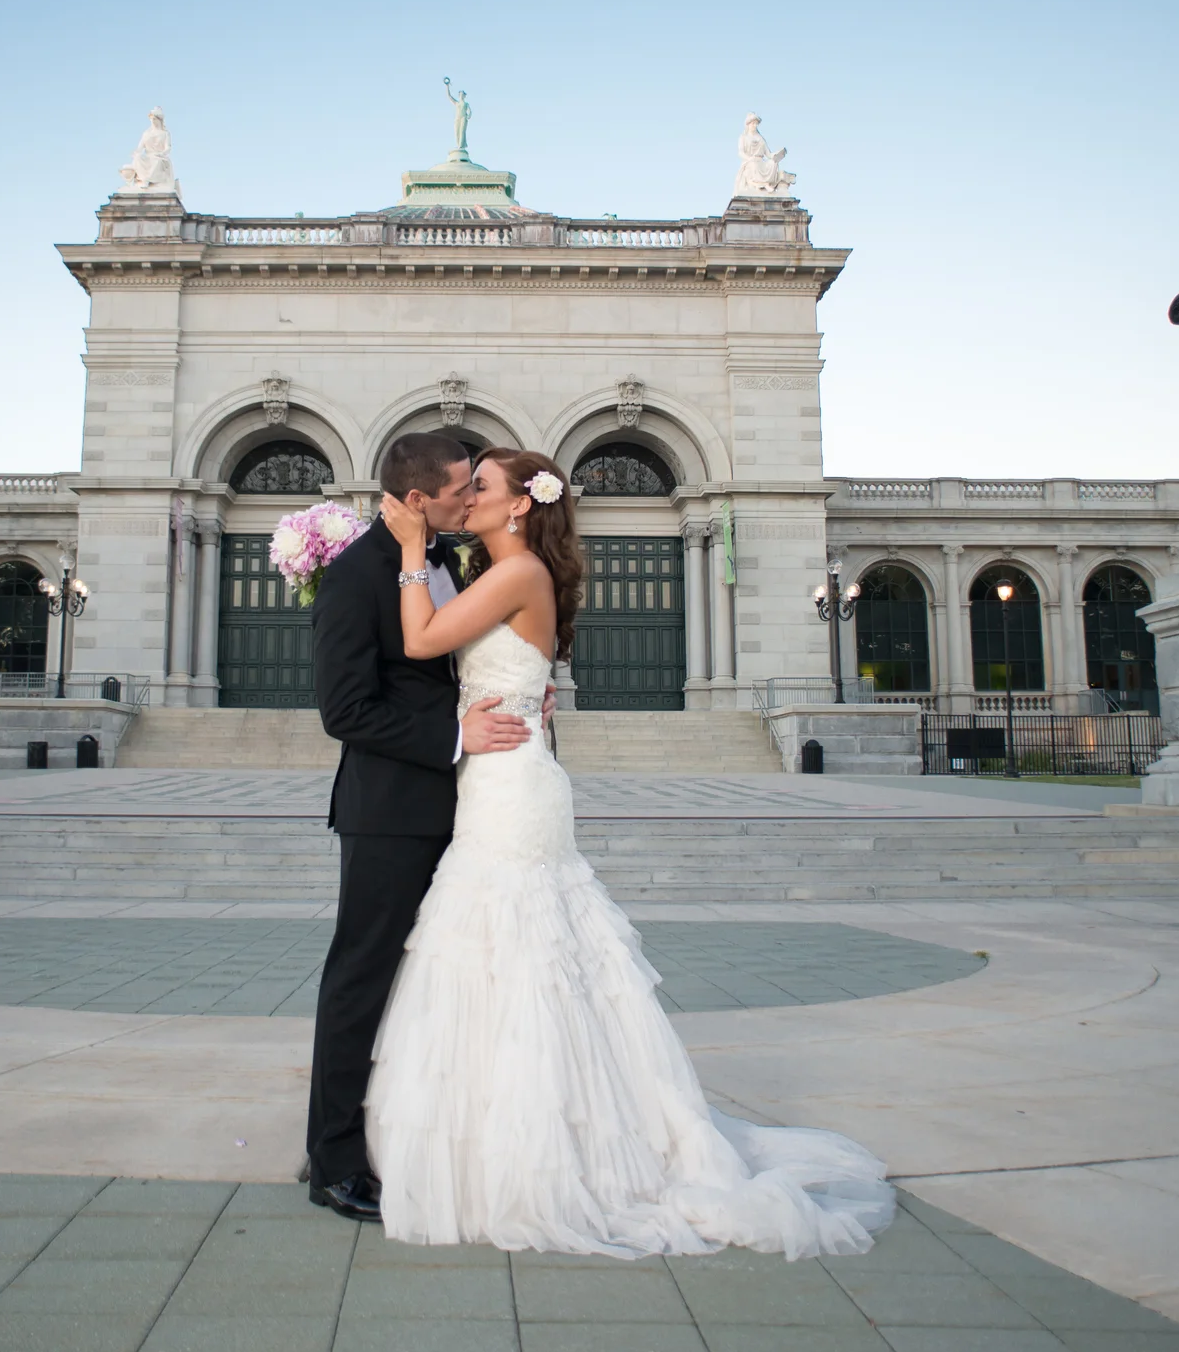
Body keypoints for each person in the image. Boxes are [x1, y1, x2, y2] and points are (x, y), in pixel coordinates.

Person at [367, 447, 894, 1258]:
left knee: (522, 948)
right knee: (509, 952)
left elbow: (421, 640)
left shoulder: (518, 574)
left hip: (512, 792)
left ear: (520, 506)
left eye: (483, 486)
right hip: (498, 775)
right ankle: (516, 1122)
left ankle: (547, 1142)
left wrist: (409, 550)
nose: (466, 497)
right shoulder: (504, 574)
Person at [304, 431, 540, 1222]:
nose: (469, 499)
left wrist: (517, 692)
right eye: (459, 490)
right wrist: (453, 736)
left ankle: (412, 1135)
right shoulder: (353, 576)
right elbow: (345, 711)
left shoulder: (452, 560)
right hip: (389, 815)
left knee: (440, 979)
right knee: (361, 980)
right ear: (416, 499)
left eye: (476, 487)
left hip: (472, 808)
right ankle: (333, 1161)